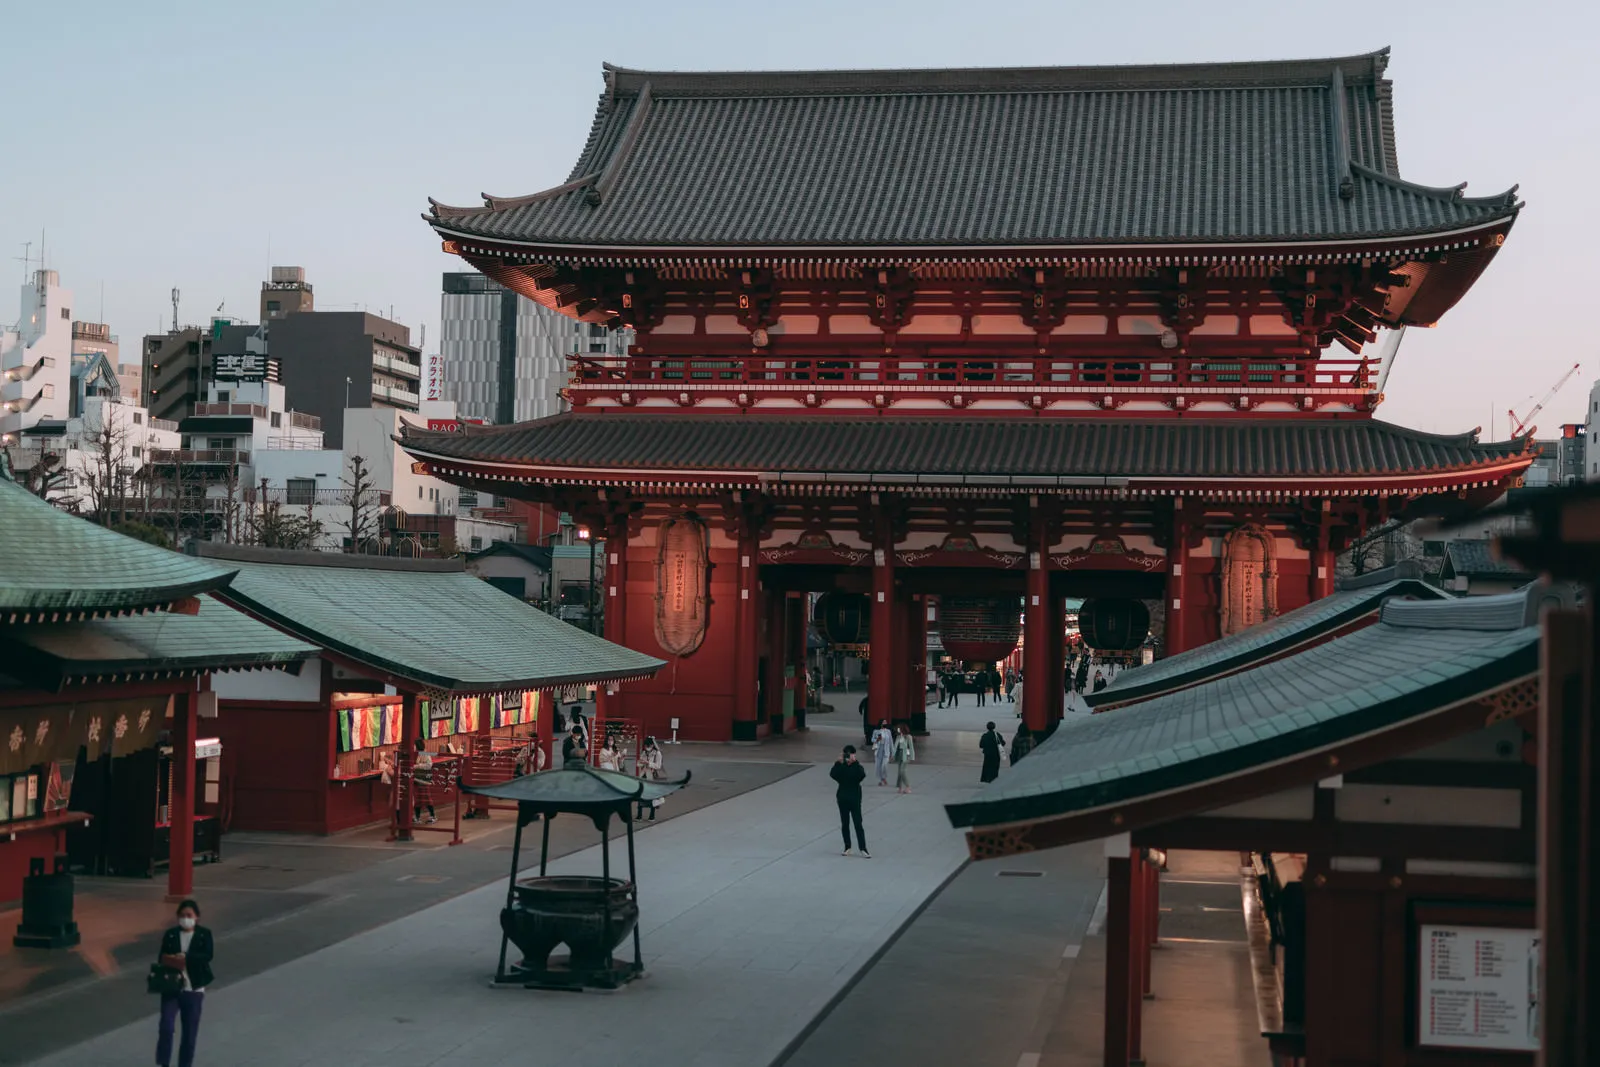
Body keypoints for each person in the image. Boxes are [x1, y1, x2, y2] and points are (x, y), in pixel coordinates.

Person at [154, 898, 213, 1067]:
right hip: (172, 986)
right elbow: (161, 956)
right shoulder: (171, 934)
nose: (185, 918)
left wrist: (186, 958)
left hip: (193, 989)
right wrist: (172, 959)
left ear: (197, 917)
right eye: (182, 915)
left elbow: (208, 955)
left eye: (189, 915)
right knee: (166, 1025)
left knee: (189, 1033)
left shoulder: (204, 934)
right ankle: (163, 1062)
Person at [830, 745, 869, 857]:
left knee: (858, 823)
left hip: (855, 798)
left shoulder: (857, 767)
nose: (848, 756)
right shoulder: (841, 766)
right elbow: (833, 774)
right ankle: (847, 847)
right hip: (842, 798)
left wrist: (855, 762)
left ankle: (863, 848)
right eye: (847, 754)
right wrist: (838, 762)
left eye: (851, 754)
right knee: (845, 823)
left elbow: (861, 775)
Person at [636, 736, 665, 821]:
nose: (647, 748)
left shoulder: (657, 753)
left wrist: (648, 763)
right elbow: (638, 763)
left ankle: (652, 815)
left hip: (652, 777)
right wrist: (641, 763)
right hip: (643, 776)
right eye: (646, 746)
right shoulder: (644, 752)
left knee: (652, 797)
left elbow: (658, 766)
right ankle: (639, 815)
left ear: (652, 745)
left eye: (649, 746)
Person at [411, 739, 436, 825]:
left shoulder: (425, 754)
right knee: (418, 799)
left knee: (426, 798)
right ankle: (417, 817)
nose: (413, 747)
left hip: (424, 779)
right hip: (418, 779)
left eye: (414, 745)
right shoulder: (418, 754)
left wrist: (417, 766)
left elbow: (429, 765)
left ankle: (433, 816)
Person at [893, 725, 916, 794]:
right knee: (899, 772)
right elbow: (895, 747)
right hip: (899, 755)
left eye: (899, 729)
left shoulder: (908, 737)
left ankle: (907, 786)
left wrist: (912, 757)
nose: (898, 730)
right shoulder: (898, 737)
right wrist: (892, 755)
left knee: (902, 771)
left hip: (906, 755)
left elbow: (911, 747)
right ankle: (900, 787)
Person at [871, 719, 893, 787]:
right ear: (881, 723)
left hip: (886, 749)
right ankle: (881, 780)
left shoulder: (888, 731)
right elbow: (872, 739)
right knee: (878, 765)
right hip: (879, 749)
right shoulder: (876, 731)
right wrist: (877, 739)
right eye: (884, 722)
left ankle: (884, 777)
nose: (885, 723)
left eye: (886, 722)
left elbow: (891, 742)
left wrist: (892, 752)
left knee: (884, 765)